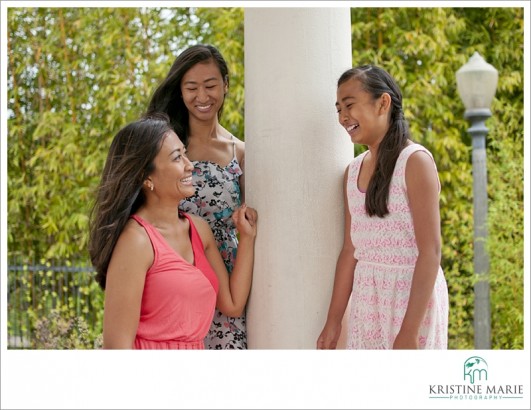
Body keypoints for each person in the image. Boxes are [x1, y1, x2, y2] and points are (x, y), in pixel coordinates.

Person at [88, 113, 257, 349]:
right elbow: (117, 347)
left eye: (184, 153)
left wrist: (247, 237)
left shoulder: (199, 229)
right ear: (146, 177)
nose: (190, 165)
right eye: (178, 158)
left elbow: (233, 303)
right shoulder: (136, 241)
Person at [316, 65, 449, 349]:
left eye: (349, 105)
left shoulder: (414, 162)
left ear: (383, 103)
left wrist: (409, 331)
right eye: (338, 109)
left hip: (412, 302)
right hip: (368, 302)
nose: (343, 117)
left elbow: (431, 251)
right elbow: (351, 251)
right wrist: (333, 321)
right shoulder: (351, 172)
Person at [146, 44, 249, 349]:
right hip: (174, 268)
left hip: (227, 277)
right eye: (191, 87)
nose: (202, 96)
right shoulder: (165, 147)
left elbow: (249, 222)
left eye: (210, 85)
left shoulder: (240, 152)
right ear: (180, 91)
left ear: (226, 85)